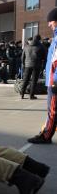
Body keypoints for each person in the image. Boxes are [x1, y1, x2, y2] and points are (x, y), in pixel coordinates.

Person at [27, 8, 57, 144]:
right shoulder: (55, 38)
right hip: (53, 78)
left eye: (51, 21)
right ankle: (46, 131)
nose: (49, 24)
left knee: (53, 110)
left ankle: (46, 136)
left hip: (55, 81)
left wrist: (53, 80)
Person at [20, 35, 46, 99]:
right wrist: (43, 66)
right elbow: (44, 57)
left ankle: (22, 94)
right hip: (37, 65)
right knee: (34, 80)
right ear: (39, 40)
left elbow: (22, 57)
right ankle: (31, 95)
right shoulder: (41, 47)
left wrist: (24, 64)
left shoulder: (26, 46)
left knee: (25, 79)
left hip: (27, 65)